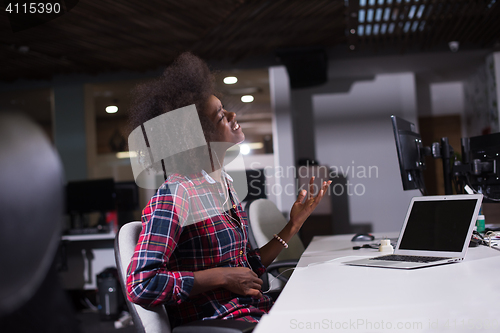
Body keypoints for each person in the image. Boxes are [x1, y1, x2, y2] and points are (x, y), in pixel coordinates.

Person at [126, 52, 331, 327]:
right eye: (221, 116)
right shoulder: (176, 194)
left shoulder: (224, 186)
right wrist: (220, 276)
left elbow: (247, 269)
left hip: (252, 312)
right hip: (220, 323)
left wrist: (293, 226)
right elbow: (141, 283)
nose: (234, 116)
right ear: (200, 137)